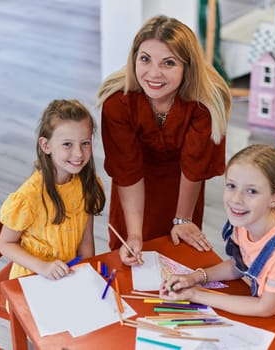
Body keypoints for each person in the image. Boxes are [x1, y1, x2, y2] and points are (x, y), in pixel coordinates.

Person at [97, 15, 232, 265]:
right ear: (134, 58)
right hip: (132, 193)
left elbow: (194, 166)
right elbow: (127, 171)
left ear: (187, 67)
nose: (154, 73)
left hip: (182, 191)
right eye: (145, 59)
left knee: (177, 259)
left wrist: (182, 219)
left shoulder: (205, 104)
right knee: (129, 261)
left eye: (168, 63)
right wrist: (134, 234)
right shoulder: (118, 102)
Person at [160, 144, 275, 342]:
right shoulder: (246, 222)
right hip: (263, 312)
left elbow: (264, 308)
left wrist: (196, 295)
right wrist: (197, 277)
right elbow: (240, 265)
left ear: (274, 198)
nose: (236, 199)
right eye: (231, 186)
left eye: (251, 191)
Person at [0, 99, 106, 281]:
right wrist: (43, 267)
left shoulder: (86, 184)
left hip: (69, 274)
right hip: (33, 279)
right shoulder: (29, 197)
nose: (79, 153)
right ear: (45, 145)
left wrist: (88, 276)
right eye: (67, 144)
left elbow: (86, 241)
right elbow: (5, 244)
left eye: (85, 143)